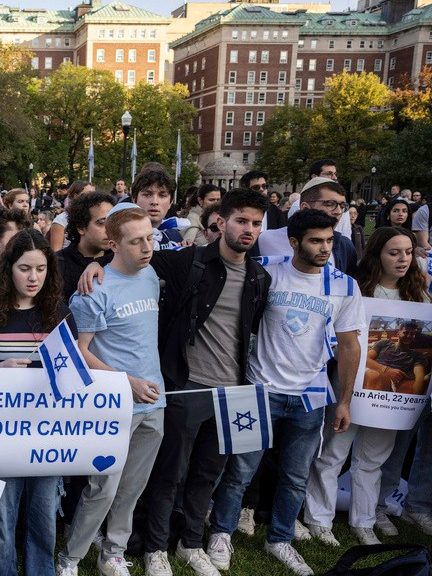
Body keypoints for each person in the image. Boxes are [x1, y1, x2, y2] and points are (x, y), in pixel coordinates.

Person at [209, 210, 365, 576]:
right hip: (258, 388)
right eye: (315, 240)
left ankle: (280, 538)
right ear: (295, 242)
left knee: (296, 476)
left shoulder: (344, 285)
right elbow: (218, 261)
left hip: (310, 398)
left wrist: (344, 401)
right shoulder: (266, 270)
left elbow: (349, 347)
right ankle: (221, 532)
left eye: (329, 240)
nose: (325, 248)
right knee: (239, 472)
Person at [137, 189, 271, 576]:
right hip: (186, 387)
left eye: (257, 224)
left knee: (208, 476)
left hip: (234, 393)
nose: (249, 230)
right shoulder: (189, 262)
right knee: (169, 474)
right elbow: (134, 261)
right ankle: (156, 548)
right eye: (242, 220)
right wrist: (99, 266)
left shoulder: (260, 277)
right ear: (222, 222)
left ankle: (192, 543)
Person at [302, 227, 431, 546]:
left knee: (373, 458)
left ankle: (365, 519)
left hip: (392, 397)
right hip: (351, 384)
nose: (403, 259)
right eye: (394, 252)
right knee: (334, 452)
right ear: (377, 255)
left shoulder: (420, 295)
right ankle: (318, 518)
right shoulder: (355, 290)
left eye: (408, 252)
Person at [57, 206, 165, 576]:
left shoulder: (150, 274)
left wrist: (143, 386)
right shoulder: (94, 288)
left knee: (133, 488)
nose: (147, 247)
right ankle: (71, 557)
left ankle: (113, 552)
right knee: (102, 488)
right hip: (114, 404)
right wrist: (126, 382)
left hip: (155, 400)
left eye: (150, 237)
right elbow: (80, 352)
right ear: (114, 244)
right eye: (136, 242)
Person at [0, 229, 71, 576]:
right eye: (25, 268)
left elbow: (71, 373)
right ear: (9, 268)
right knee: (0, 519)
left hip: (47, 434)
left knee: (44, 517)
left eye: (41, 269)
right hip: (0, 435)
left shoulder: (57, 312)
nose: (33, 277)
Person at [255, 178, 358, 276]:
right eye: (330, 204)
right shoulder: (264, 239)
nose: (338, 211)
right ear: (305, 208)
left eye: (342, 206)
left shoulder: (344, 246)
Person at [57, 193, 113, 299]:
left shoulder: (120, 259)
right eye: (101, 223)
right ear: (81, 228)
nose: (110, 229)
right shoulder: (58, 264)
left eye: (113, 222)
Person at [48, 180, 94, 252]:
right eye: (89, 194)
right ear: (76, 196)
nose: (93, 198)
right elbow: (56, 253)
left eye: (94, 194)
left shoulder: (94, 217)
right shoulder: (61, 220)